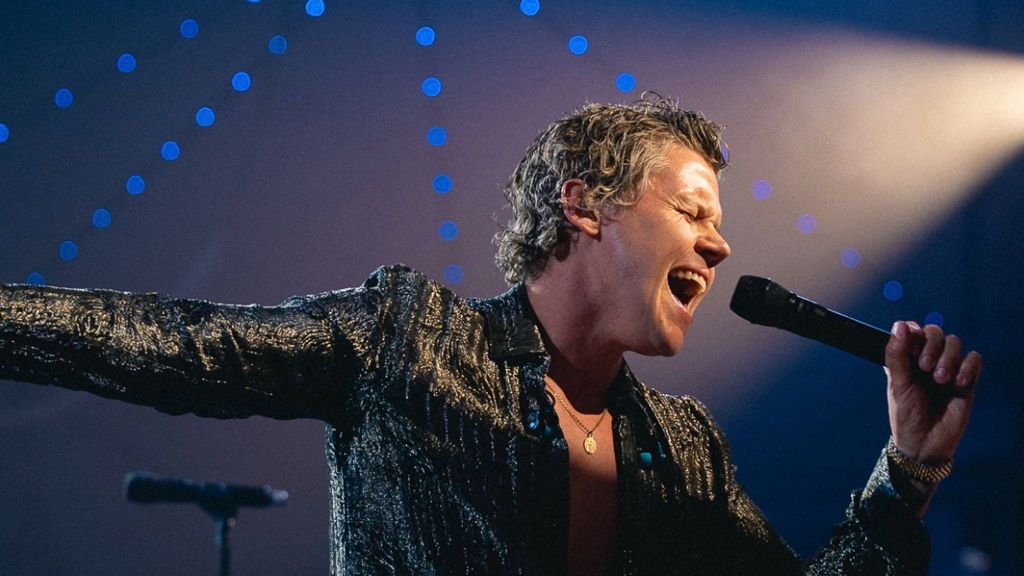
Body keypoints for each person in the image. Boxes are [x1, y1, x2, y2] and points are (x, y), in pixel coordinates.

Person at [0, 94, 982, 575]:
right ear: (584, 206)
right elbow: (181, 344)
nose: (719, 244)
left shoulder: (684, 449)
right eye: (691, 211)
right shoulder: (408, 342)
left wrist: (908, 469)